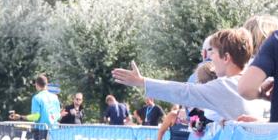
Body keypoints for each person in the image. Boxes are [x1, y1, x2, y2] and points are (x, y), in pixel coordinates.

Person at [112, 28, 268, 122]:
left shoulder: (226, 86)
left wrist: (142, 82)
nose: (211, 58)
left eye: (213, 53)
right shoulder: (257, 81)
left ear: (226, 58)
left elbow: (184, 92)